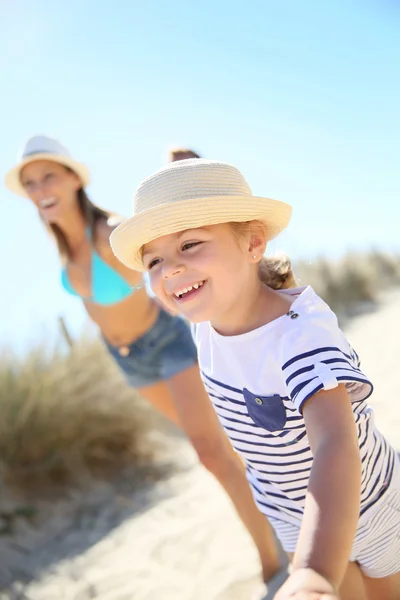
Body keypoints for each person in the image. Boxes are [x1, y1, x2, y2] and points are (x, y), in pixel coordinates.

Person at [110, 158, 400, 600]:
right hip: (290, 514)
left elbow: (334, 444)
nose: (169, 269)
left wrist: (314, 572)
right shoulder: (203, 326)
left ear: (253, 244)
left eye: (190, 244)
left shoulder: (300, 335)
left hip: (369, 504)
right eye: (154, 260)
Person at [4, 136, 282, 583]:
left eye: (49, 176)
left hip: (165, 342)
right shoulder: (65, 247)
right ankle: (279, 514)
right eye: (31, 183)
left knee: (212, 451)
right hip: (129, 360)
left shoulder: (110, 230)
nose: (41, 189)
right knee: (224, 446)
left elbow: (166, 265)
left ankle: (272, 561)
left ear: (75, 178)